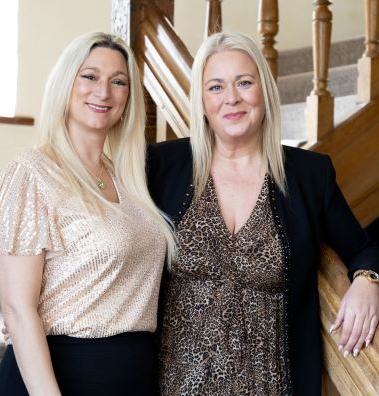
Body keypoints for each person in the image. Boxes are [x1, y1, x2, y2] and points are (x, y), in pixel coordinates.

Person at [147, 32, 379, 396]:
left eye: (244, 83)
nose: (232, 99)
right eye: (216, 87)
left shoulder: (309, 175)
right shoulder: (162, 166)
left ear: (264, 91)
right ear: (202, 101)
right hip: (172, 384)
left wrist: (367, 282)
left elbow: (363, 247)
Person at [0, 32, 175, 396]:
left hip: (132, 375)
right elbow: (18, 309)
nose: (103, 92)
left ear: (128, 98)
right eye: (89, 76)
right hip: (57, 377)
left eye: (118, 82)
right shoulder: (31, 173)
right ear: (65, 83)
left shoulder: (129, 177)